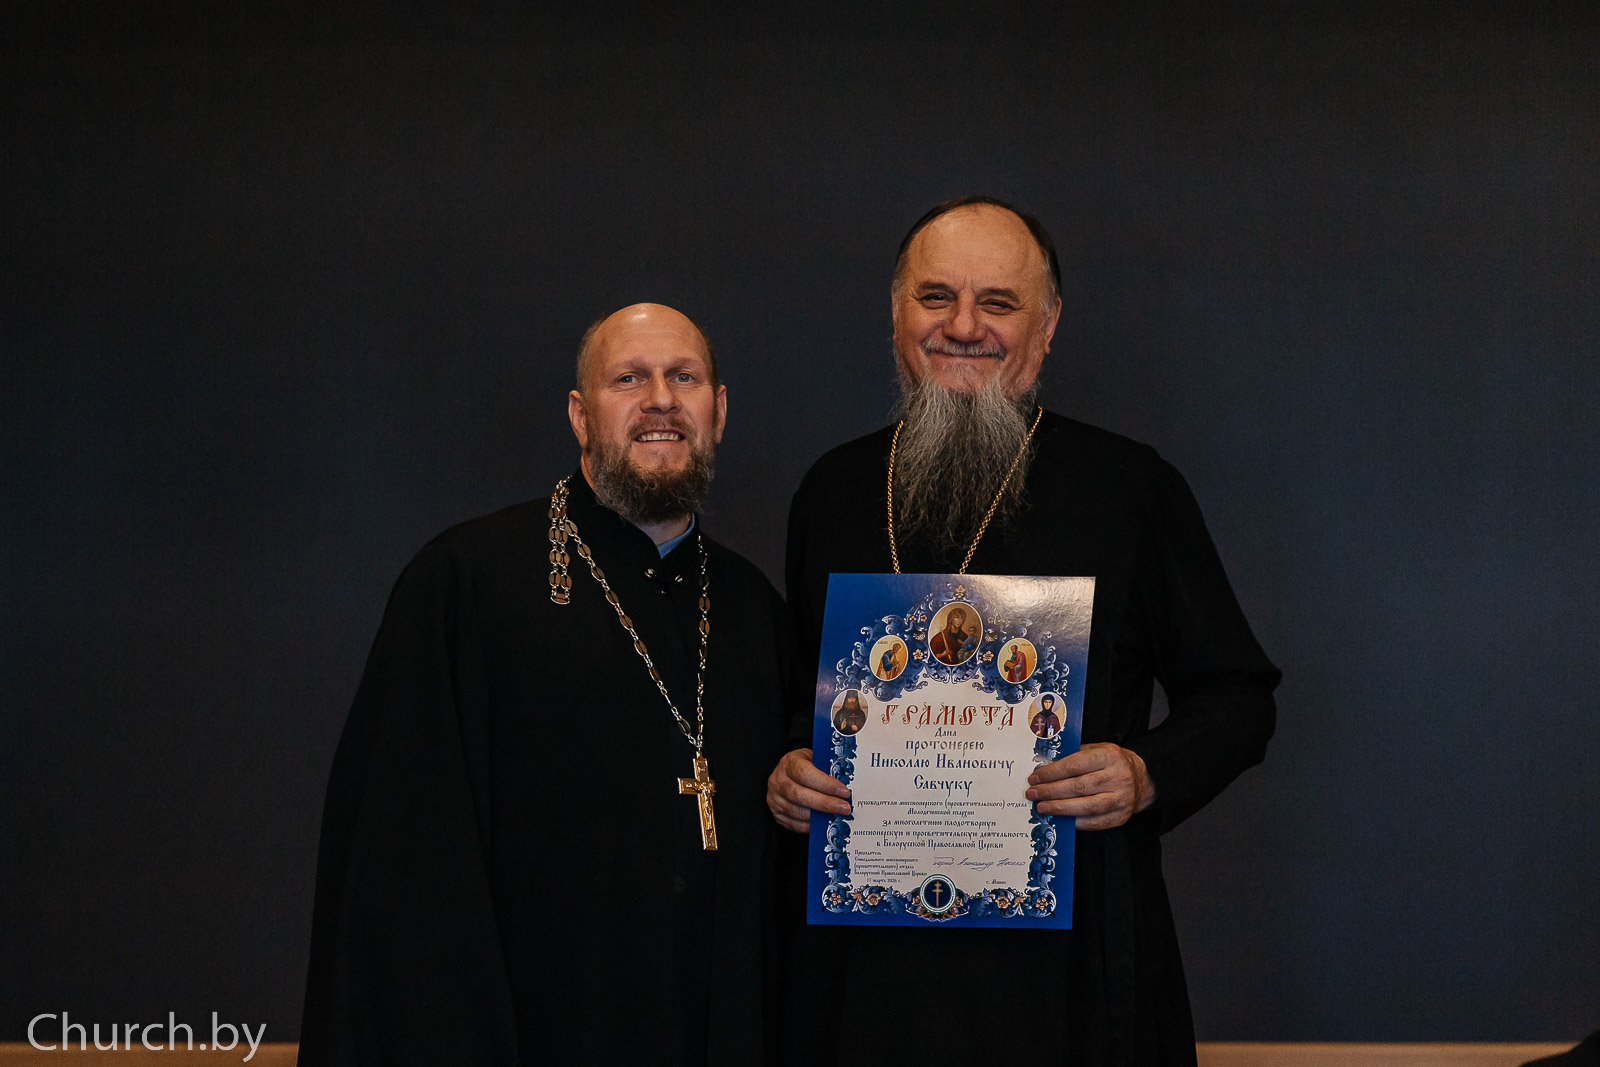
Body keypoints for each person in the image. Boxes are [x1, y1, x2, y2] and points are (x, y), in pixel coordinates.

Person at [766, 197, 1281, 1065]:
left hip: (1070, 973)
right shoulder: (834, 490)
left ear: (1045, 329)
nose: (964, 326)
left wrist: (1145, 773)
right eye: (936, 297)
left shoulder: (1131, 489)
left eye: (998, 303)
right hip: (872, 974)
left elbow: (1239, 697)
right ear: (896, 316)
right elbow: (804, 703)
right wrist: (788, 768)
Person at [301, 303, 793, 1066]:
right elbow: (403, 876)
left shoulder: (754, 608)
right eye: (628, 379)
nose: (660, 399)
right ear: (580, 415)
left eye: (684, 377)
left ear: (718, 411)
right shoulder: (466, 582)